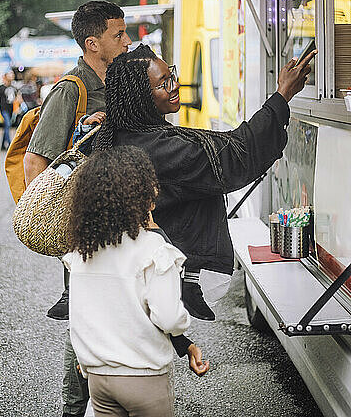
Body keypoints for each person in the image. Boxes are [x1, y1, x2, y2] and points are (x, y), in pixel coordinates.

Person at [23, 1, 206, 417]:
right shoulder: (73, 88)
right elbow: (37, 163)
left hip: (122, 221)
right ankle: (76, 408)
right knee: (87, 316)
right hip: (87, 227)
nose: (127, 41)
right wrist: (69, 230)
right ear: (93, 43)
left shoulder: (118, 80)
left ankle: (111, 393)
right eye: (118, 35)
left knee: (119, 305)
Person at [94, 43, 318, 320]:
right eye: (163, 84)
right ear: (139, 97)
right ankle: (187, 277)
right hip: (145, 278)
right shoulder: (156, 149)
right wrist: (283, 95)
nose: (174, 86)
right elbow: (236, 153)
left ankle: (188, 278)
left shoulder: (118, 132)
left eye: (171, 75)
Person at [64, 145, 207, 417]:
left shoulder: (82, 252)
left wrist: (85, 358)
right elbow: (169, 318)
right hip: (145, 378)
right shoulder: (152, 249)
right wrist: (183, 327)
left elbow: (78, 316)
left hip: (98, 377)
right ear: (138, 197)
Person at [0, 71, 17, 151]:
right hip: (3, 109)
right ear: (5, 76)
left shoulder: (13, 87)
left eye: (12, 74)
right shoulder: (1, 88)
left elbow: (16, 98)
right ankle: (10, 144)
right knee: (8, 124)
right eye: (10, 74)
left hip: (10, 109)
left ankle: (2, 145)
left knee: (6, 126)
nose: (12, 75)